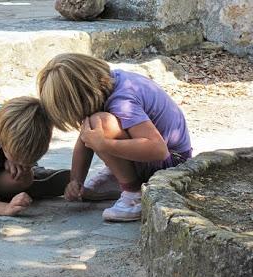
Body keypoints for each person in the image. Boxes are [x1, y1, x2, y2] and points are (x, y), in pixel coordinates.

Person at [38, 53, 192, 222]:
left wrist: (105, 145)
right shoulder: (108, 82)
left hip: (172, 164)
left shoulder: (122, 101)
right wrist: (76, 181)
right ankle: (117, 176)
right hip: (159, 158)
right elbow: (85, 137)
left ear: (82, 97)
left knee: (101, 124)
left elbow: (158, 149)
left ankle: (134, 195)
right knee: (93, 127)